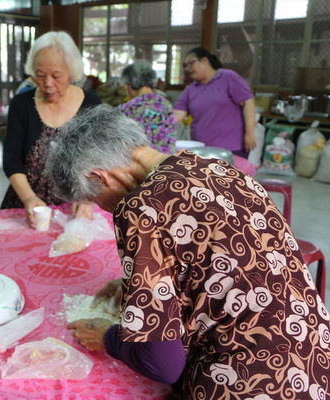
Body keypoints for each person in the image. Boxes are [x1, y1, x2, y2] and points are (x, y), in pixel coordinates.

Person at [46, 104, 329, 399]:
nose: (104, 209)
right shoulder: (222, 170)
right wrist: (138, 288)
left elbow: (161, 364)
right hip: (313, 362)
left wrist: (108, 336)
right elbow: (224, 262)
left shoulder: (141, 207)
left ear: (102, 177)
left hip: (250, 384)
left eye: (95, 200)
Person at [1, 30, 101, 227]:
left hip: (75, 213)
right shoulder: (21, 104)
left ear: (71, 71)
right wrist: (29, 199)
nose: (48, 84)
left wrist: (87, 199)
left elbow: (102, 160)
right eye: (40, 75)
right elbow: (12, 161)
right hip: (25, 207)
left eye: (56, 76)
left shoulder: (91, 104)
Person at [173, 47, 256, 159]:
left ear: (205, 60)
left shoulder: (227, 77)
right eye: (185, 66)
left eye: (191, 63)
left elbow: (248, 102)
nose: (188, 68)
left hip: (232, 147)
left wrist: (249, 133)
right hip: (201, 148)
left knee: (229, 176)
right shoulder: (191, 89)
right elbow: (177, 114)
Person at [118, 60, 176, 154]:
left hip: (144, 164)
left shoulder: (128, 108)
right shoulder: (166, 103)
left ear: (130, 85)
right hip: (167, 162)